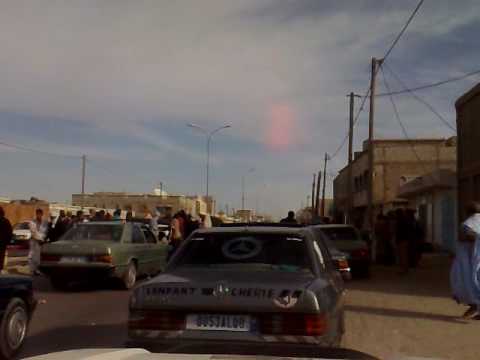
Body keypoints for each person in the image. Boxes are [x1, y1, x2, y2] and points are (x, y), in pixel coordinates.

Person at [451, 202, 480, 319]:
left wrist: (476, 237)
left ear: (467, 212)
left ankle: (474, 305)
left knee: (466, 282)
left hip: (467, 259)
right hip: (475, 258)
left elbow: (465, 236)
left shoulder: (468, 223)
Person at [29, 208, 48, 275]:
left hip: (41, 241)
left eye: (40, 214)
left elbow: (45, 232)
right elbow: (33, 232)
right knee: (32, 256)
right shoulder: (32, 222)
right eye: (38, 214)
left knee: (38, 257)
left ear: (42, 214)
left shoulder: (45, 222)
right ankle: (32, 270)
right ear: (36, 214)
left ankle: (37, 270)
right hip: (34, 241)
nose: (39, 215)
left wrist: (43, 239)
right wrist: (38, 240)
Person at [395, 208, 409, 274]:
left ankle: (403, 269)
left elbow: (399, 232)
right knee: (404, 255)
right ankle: (405, 269)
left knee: (402, 255)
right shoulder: (405, 220)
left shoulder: (400, 221)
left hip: (401, 240)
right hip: (404, 239)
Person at [0, 207, 13, 273]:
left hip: (3, 243)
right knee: (1, 256)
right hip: (2, 243)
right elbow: (10, 232)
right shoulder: (6, 221)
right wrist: (7, 242)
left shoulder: (5, 221)